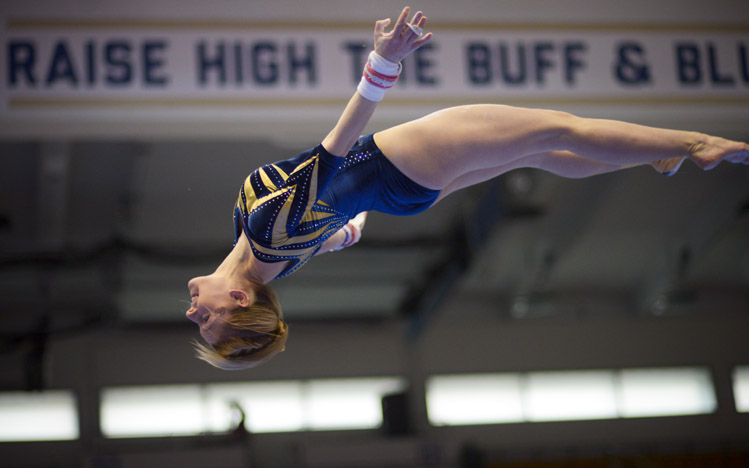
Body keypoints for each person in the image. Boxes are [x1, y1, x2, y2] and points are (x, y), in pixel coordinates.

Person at [186, 7, 749, 370]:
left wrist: (348, 224)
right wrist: (382, 65)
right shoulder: (263, 235)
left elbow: (340, 234)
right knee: (558, 128)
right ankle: (696, 143)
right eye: (209, 320)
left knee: (544, 153)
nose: (194, 314)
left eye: (202, 323)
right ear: (239, 300)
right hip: (398, 163)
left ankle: (658, 154)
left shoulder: (267, 259)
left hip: (407, 190)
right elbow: (333, 151)